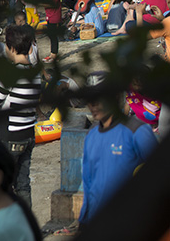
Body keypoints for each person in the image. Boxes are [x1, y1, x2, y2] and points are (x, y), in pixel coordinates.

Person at [57, 71, 158, 236]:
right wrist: (83, 221)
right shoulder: (92, 136)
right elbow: (89, 185)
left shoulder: (136, 131)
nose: (93, 104)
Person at [0, 24, 41, 209]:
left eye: (6, 46)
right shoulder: (36, 74)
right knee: (23, 183)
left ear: (13, 48)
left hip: (10, 137)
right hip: (29, 134)